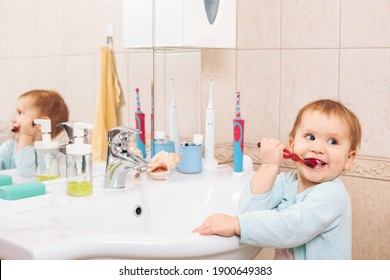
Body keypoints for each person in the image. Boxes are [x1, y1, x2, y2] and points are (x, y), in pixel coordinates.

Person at [194, 99, 362, 260]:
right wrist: (269, 165)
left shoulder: (332, 195)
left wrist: (237, 225)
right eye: (310, 137)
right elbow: (251, 211)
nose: (317, 148)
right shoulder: (286, 182)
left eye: (333, 141)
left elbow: (292, 227)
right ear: (292, 144)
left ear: (349, 159)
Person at [0, 90, 69, 177]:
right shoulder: (9, 147)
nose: (13, 119)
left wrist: (26, 135)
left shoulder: (48, 154)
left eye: (20, 113)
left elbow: (26, 170)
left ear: (41, 124)